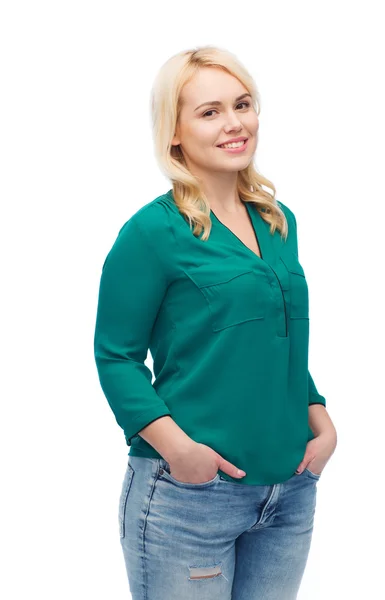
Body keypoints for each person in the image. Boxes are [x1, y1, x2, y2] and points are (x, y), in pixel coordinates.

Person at [93, 45, 337, 600]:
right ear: (174, 132)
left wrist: (318, 416)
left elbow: (278, 339)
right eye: (210, 112)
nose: (235, 123)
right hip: (189, 497)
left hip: (290, 492)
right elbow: (115, 356)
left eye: (243, 104)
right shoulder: (152, 233)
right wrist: (179, 450)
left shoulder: (277, 221)